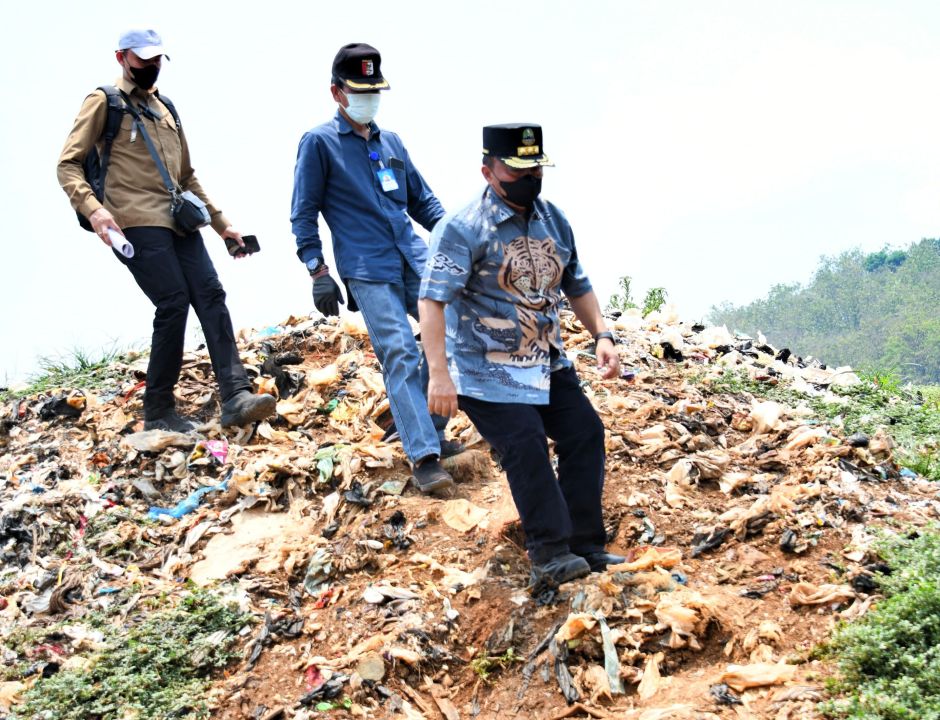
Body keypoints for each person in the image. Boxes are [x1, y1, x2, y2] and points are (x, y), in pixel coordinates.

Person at [419, 123, 625, 586]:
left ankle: (585, 545)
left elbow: (577, 284)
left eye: (536, 167)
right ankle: (550, 553)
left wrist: (602, 335)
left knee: (584, 432)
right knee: (525, 441)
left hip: (545, 360)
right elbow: (431, 301)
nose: (529, 177)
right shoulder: (462, 228)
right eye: (517, 169)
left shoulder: (554, 219)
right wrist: (438, 375)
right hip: (484, 368)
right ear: (488, 171)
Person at [57, 29, 275, 432]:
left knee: (211, 294)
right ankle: (158, 410)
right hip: (134, 222)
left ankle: (236, 396)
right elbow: (67, 164)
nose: (152, 66)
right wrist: (95, 212)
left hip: (179, 221)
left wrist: (223, 226)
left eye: (157, 59)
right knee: (173, 301)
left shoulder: (166, 108)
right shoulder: (104, 101)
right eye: (143, 59)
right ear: (122, 57)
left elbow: (187, 175)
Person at [291, 43, 461, 494]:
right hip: (367, 266)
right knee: (400, 350)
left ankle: (431, 430)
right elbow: (303, 212)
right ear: (337, 93)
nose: (370, 98)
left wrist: (456, 239)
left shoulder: (392, 143)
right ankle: (424, 457)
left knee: (454, 331)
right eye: (359, 90)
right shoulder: (319, 143)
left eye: (375, 90)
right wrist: (317, 269)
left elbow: (422, 201)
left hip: (414, 256)